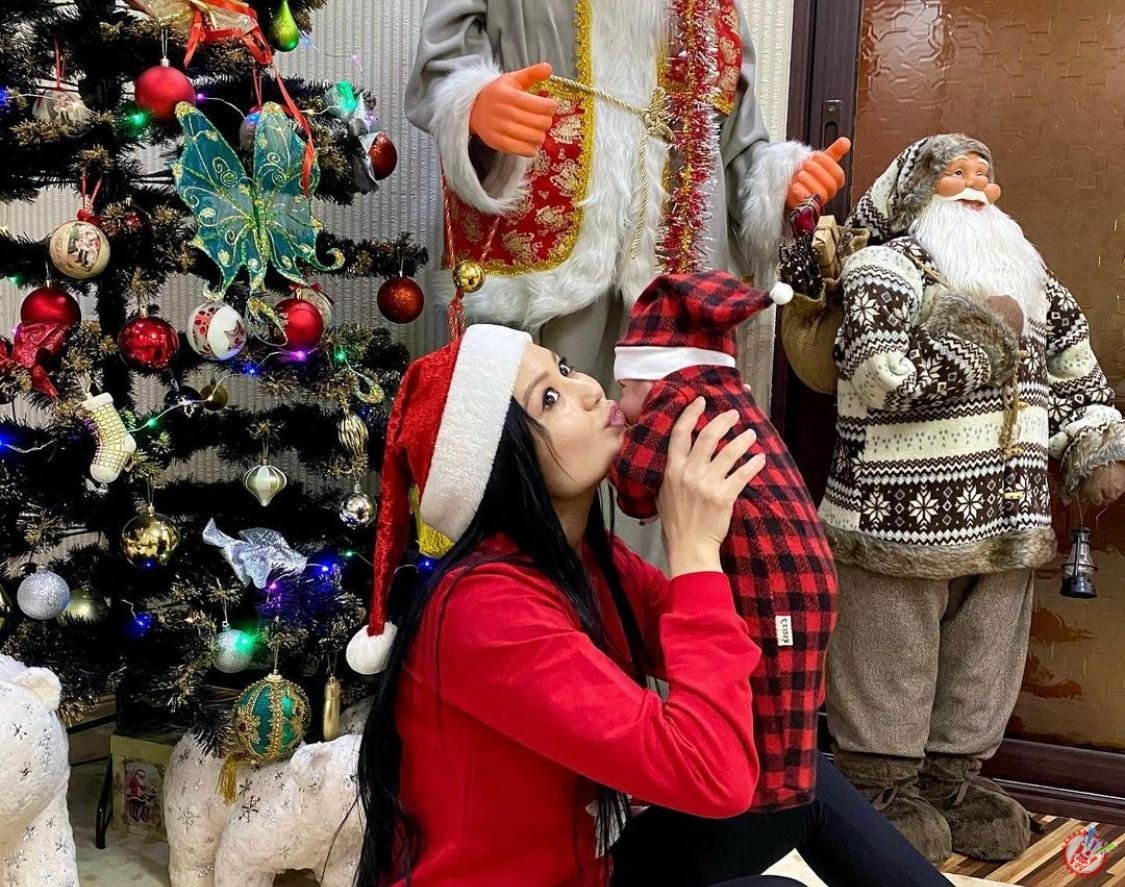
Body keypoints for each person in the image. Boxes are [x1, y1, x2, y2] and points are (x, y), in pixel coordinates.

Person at [345, 324, 951, 886]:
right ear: (501, 465)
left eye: (564, 368)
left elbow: (750, 666)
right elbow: (712, 774)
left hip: (594, 873)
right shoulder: (484, 610)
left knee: (801, 783)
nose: (588, 389)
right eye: (549, 400)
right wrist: (693, 551)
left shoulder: (586, 562)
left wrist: (750, 504)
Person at [820, 134, 1125, 863]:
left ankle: (951, 784)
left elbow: (1076, 376)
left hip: (1010, 515)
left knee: (982, 661)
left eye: (983, 176)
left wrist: (1093, 442)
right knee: (887, 655)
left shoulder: (1032, 276)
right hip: (896, 517)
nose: (972, 188)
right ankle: (878, 793)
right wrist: (984, 333)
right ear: (912, 191)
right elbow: (879, 377)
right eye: (952, 173)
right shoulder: (883, 267)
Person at [405, 0, 850, 392]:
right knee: (537, 422)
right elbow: (444, 63)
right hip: (543, 247)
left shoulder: (713, 6)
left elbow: (735, 138)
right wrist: (473, 102)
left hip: (674, 263)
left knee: (663, 434)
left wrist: (781, 180)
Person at [610, 269, 836, 813]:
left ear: (654, 377)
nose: (619, 404)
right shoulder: (723, 394)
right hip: (801, 577)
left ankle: (765, 796)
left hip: (773, 583)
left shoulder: (679, 397)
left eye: (626, 387)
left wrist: (617, 454)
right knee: (785, 693)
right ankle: (776, 788)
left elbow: (635, 485)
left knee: (767, 685)